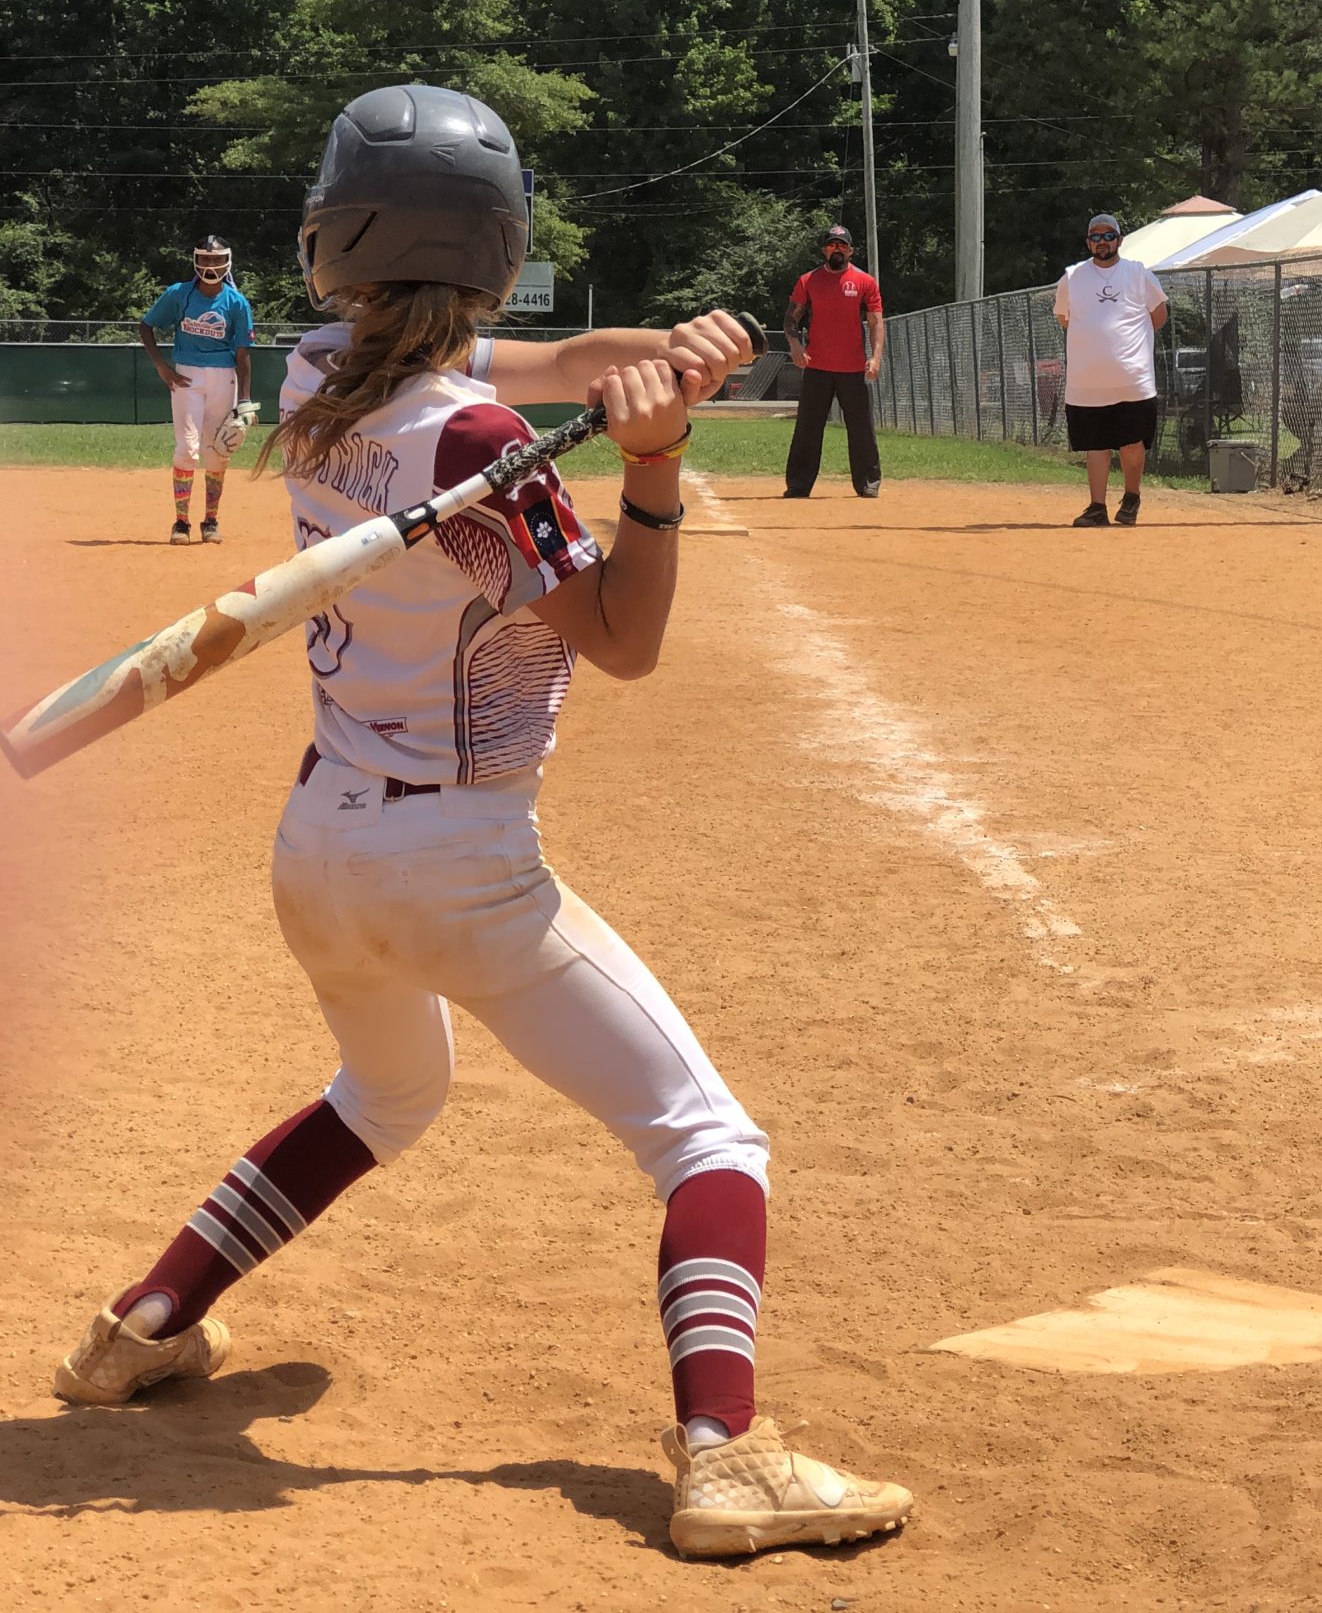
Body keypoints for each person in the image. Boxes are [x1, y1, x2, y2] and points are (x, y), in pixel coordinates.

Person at [50, 84, 913, 1562]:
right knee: (708, 1139)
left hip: (321, 844)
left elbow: (561, 362)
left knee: (385, 1098)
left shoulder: (320, 367)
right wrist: (654, 469)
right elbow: (623, 639)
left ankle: (140, 1324)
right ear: (498, 251)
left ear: (337, 243)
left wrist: (670, 352)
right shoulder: (479, 446)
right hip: (458, 862)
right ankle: (727, 1457)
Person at [1053, 212, 1168, 526]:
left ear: (1119, 240)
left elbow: (1159, 316)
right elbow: (1064, 318)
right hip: (1087, 383)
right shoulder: (1072, 277)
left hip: (1133, 380)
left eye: (1108, 236)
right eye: (1096, 237)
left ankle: (1131, 499)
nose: (1102, 242)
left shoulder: (1138, 274)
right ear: (1088, 242)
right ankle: (1097, 507)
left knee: (1132, 443)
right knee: (1096, 445)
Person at [139, 235, 255, 545]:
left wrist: (245, 400)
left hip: (224, 378)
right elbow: (146, 326)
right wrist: (162, 367)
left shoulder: (236, 302)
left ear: (227, 261)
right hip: (186, 377)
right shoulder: (180, 294)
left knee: (217, 453)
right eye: (205, 259)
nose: (210, 265)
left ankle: (211, 521)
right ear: (195, 260)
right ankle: (181, 523)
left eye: (216, 259)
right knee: (187, 449)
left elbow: (243, 354)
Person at [782, 224, 887, 500]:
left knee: (861, 428)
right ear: (824, 250)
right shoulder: (808, 281)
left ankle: (868, 482)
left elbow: (876, 322)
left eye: (841, 245)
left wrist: (876, 357)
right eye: (831, 245)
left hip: (853, 368)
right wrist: (795, 346)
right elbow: (791, 318)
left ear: (851, 251)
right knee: (808, 427)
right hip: (817, 367)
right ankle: (798, 484)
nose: (836, 249)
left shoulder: (865, 282)